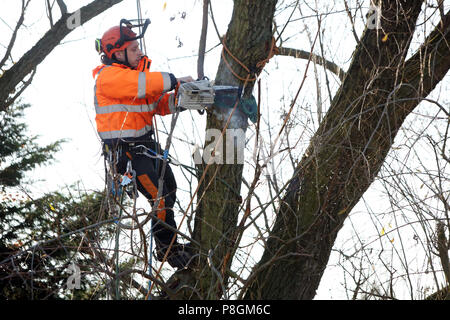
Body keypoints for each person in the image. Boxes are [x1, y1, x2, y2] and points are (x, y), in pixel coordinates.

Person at [92, 21, 194, 269]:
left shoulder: (137, 78)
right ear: (117, 53)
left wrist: (185, 98)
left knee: (169, 190)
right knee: (158, 197)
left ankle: (170, 244)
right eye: (134, 48)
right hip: (127, 153)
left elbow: (157, 104)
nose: (140, 52)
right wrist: (173, 79)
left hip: (147, 147)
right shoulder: (109, 77)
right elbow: (144, 85)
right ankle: (167, 250)